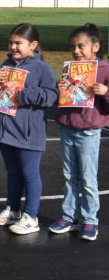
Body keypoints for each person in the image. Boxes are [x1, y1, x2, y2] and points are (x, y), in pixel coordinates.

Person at [0, 23, 57, 235]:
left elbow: (52, 96)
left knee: (29, 174)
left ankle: (31, 216)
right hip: (6, 129)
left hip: (28, 133)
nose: (13, 46)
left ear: (33, 45)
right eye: (11, 42)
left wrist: (27, 95)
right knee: (13, 173)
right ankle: (14, 209)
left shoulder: (42, 69)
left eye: (19, 43)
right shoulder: (7, 65)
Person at [49, 24, 109, 241]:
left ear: (95, 46)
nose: (76, 51)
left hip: (88, 131)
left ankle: (90, 219)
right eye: (73, 47)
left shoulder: (104, 69)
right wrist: (62, 88)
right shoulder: (71, 68)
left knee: (87, 177)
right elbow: (64, 99)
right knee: (69, 175)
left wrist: (105, 92)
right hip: (68, 126)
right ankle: (69, 216)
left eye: (81, 46)